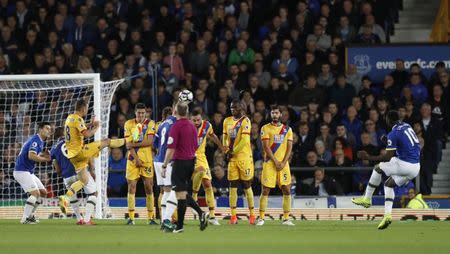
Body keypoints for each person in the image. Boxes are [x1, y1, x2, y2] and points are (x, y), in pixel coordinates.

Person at [353, 110, 420, 230]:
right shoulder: (406, 125)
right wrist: (387, 141)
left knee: (378, 168)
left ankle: (366, 199)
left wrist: (368, 157)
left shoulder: (393, 133)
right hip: (415, 167)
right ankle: (387, 215)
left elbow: (388, 157)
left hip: (405, 163)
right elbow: (406, 143)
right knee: (388, 184)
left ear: (388, 120)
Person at [58, 99, 125, 215]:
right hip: (81, 152)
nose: (86, 110)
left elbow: (79, 127)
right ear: (83, 108)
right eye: (86, 108)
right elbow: (87, 134)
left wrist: (90, 124)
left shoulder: (69, 118)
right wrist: (96, 128)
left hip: (73, 156)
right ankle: (127, 140)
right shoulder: (78, 119)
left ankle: (65, 197)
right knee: (106, 141)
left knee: (84, 180)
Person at [161, 102, 208, 233]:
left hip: (180, 162)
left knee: (180, 194)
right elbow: (195, 145)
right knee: (182, 193)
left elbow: (171, 149)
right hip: (191, 161)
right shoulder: (192, 126)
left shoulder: (176, 127)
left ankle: (181, 225)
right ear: (187, 112)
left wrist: (165, 165)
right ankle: (198, 214)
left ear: (175, 111)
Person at [256, 105, 294, 226]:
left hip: (283, 164)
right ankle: (261, 218)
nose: (275, 115)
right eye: (273, 113)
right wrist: (276, 161)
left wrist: (283, 162)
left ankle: (286, 218)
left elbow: (289, 148)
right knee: (266, 190)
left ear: (281, 115)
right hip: (270, 163)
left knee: (287, 189)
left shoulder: (288, 130)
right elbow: (266, 147)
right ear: (270, 114)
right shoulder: (265, 128)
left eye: (277, 113)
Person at [51, 127, 96, 225]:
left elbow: (57, 169)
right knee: (93, 194)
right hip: (80, 171)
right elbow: (86, 153)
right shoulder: (73, 140)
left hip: (67, 176)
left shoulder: (53, 149)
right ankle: (87, 219)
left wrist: (63, 173)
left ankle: (79, 219)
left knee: (73, 197)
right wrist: (92, 169)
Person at [190, 109, 227, 225]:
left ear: (202, 118)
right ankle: (194, 197)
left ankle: (212, 216)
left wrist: (221, 146)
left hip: (201, 157)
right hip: (189, 156)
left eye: (198, 120)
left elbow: (212, 135)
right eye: (194, 120)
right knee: (198, 175)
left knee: (208, 184)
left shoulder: (207, 125)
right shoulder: (186, 127)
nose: (196, 122)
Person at [222, 100, 255, 225]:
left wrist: (233, 151)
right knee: (233, 186)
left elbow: (245, 140)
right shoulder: (227, 121)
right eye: (231, 107)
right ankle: (233, 216)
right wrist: (226, 148)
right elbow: (225, 137)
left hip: (244, 158)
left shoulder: (245, 121)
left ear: (241, 107)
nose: (232, 109)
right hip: (232, 159)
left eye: (234, 107)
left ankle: (252, 216)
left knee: (247, 185)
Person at [123, 103, 157, 225]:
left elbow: (149, 141)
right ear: (135, 113)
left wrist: (133, 144)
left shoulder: (151, 124)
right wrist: (136, 157)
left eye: (143, 113)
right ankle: (131, 218)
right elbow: (128, 144)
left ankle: (150, 218)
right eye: (139, 113)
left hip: (147, 160)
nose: (141, 115)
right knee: (131, 186)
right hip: (133, 160)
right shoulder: (128, 124)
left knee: (149, 187)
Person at [13, 122, 52, 224]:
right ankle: (25, 218)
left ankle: (30, 215)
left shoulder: (40, 141)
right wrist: (45, 159)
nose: (49, 131)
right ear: (40, 129)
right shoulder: (35, 140)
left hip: (28, 171)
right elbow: (31, 156)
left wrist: (44, 154)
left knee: (43, 192)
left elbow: (33, 154)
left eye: (50, 129)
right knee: (35, 193)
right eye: (47, 128)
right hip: (22, 171)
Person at [153, 106, 177, 226]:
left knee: (166, 191)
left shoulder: (161, 125)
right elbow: (173, 145)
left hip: (157, 160)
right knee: (175, 190)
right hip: (166, 161)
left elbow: (155, 144)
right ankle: (167, 220)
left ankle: (163, 220)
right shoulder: (175, 124)